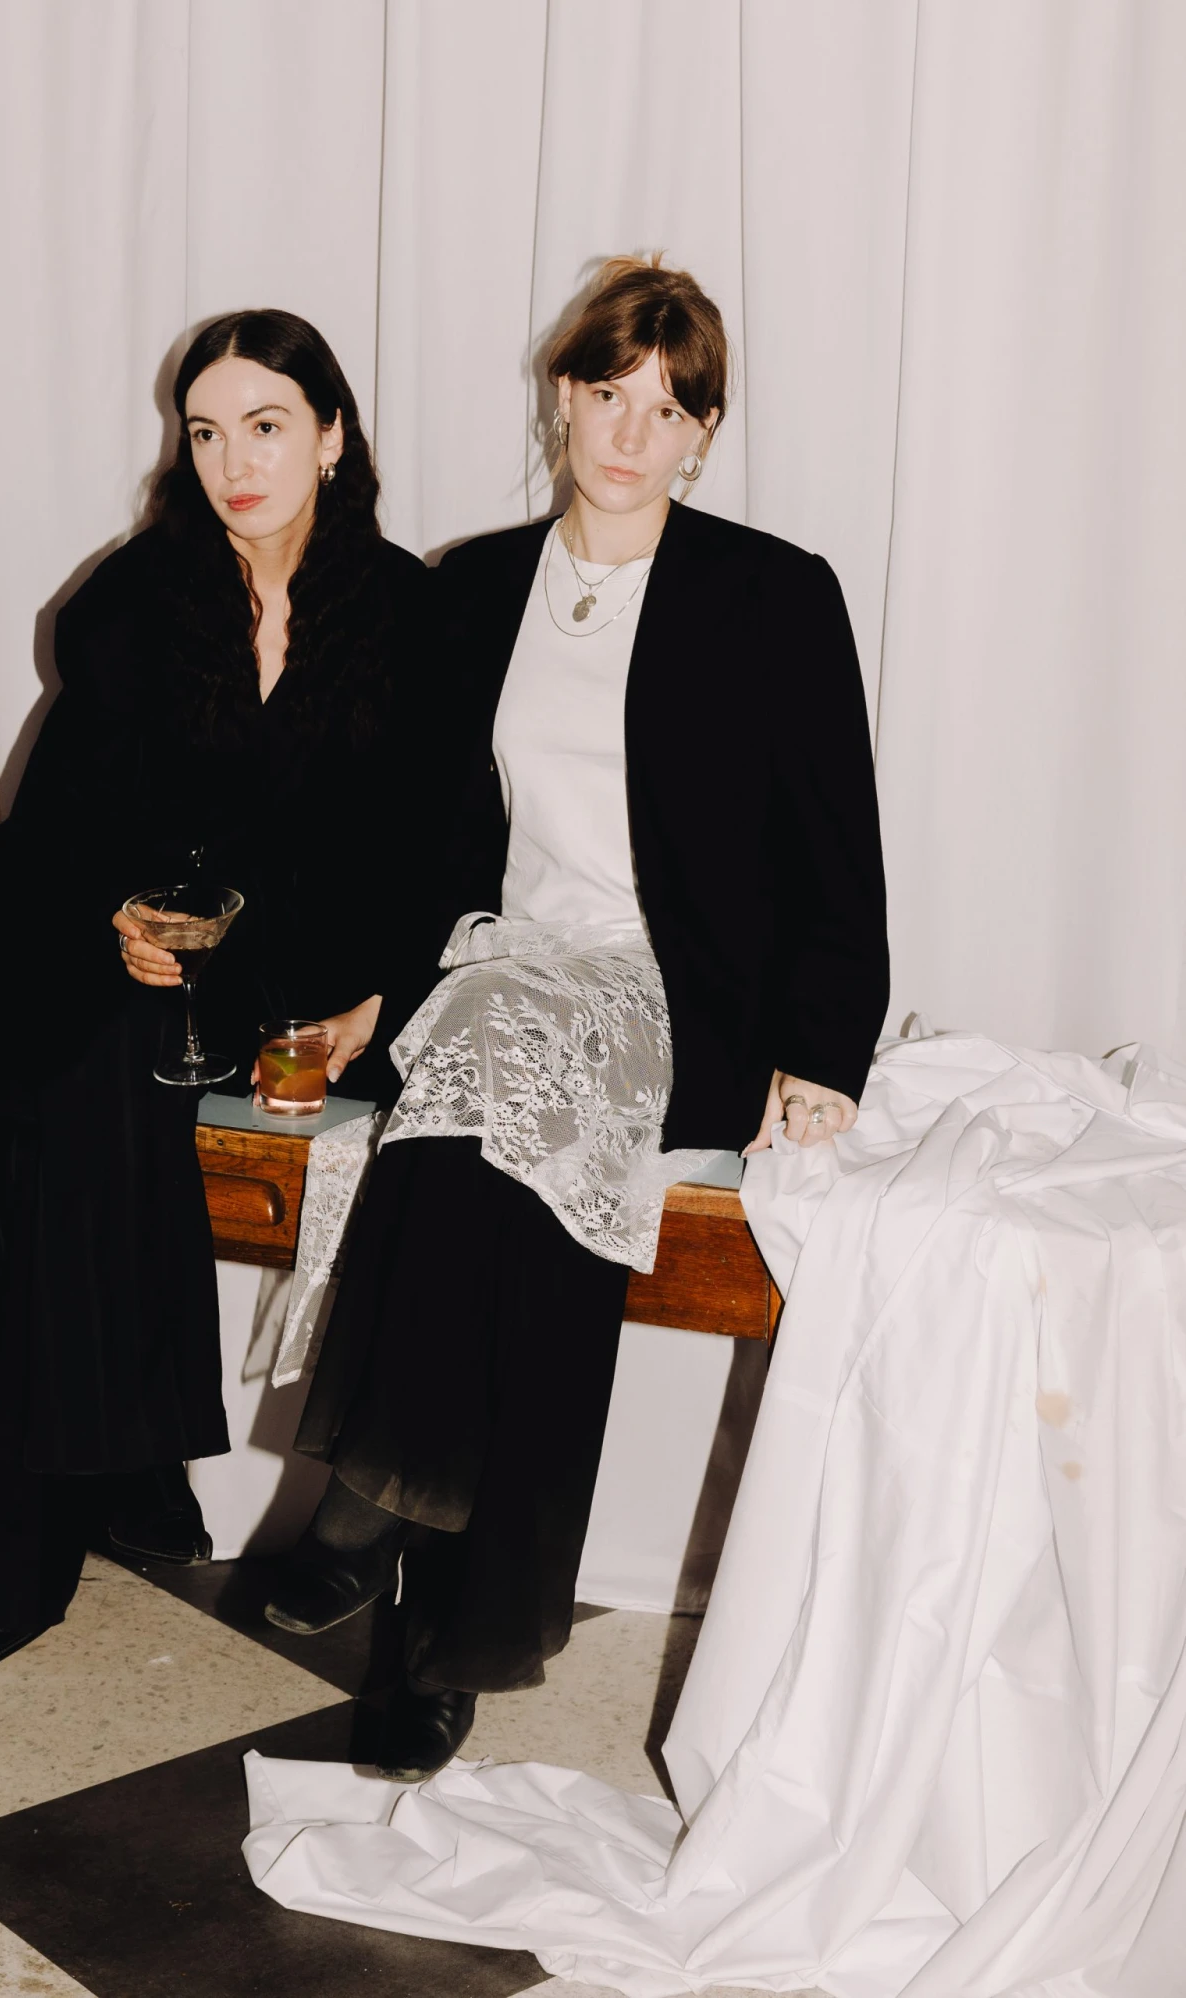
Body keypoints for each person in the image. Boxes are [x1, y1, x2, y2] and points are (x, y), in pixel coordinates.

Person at [264, 255, 890, 1780]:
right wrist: (377, 994)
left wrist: (824, 1052)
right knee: (493, 1177)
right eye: (608, 394)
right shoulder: (476, 587)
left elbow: (837, 851)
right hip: (500, 965)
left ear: (704, 433)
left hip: (674, 994)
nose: (630, 433)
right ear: (562, 395)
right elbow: (426, 844)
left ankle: (368, 1503)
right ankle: (444, 1638)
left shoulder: (773, 594)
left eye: (667, 410)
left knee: (481, 1071)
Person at [0, 310, 432, 1672]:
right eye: (206, 433)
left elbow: (424, 844)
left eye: (266, 426)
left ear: (331, 435)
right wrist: (113, 919)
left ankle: (115, 1462)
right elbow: (66, 818)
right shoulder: (142, 595)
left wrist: (357, 985)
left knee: (137, 1052)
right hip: (88, 917)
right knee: (91, 1059)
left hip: (299, 948)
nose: (234, 463)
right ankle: (52, 1511)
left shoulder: (404, 610)